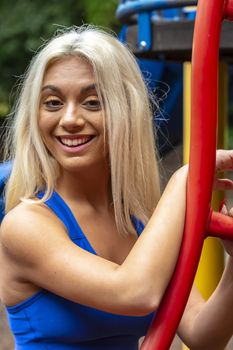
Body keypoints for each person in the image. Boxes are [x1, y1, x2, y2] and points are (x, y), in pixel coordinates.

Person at [0, 25, 233, 350]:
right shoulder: (26, 225)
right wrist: (186, 180)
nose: (69, 118)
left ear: (127, 111)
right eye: (52, 103)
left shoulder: (140, 221)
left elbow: (204, 336)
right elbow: (133, 293)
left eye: (92, 102)